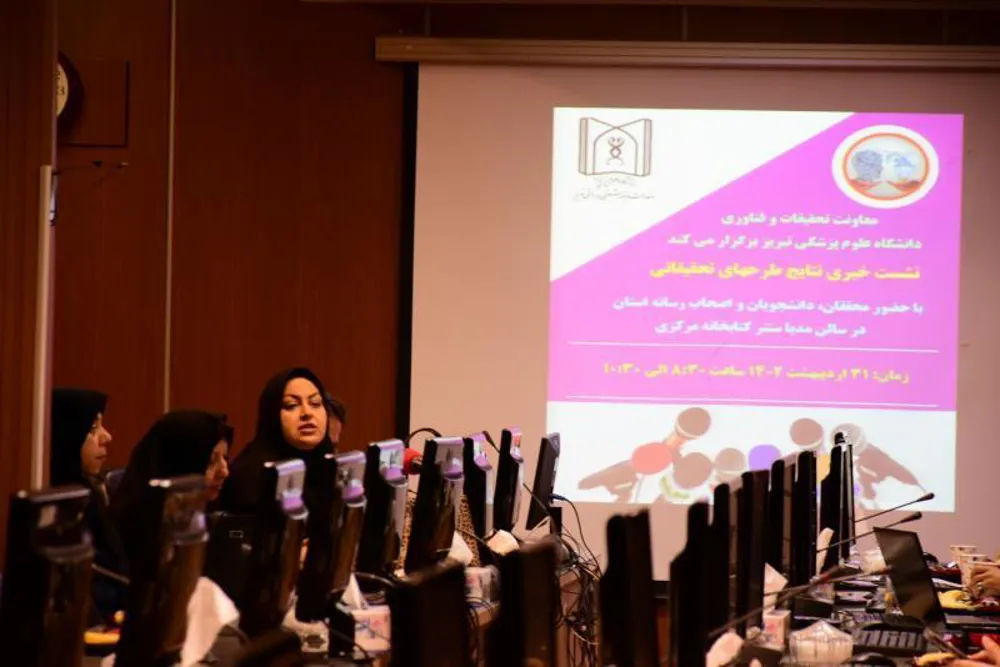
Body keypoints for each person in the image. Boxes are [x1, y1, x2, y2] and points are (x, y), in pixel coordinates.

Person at [111, 410, 232, 565]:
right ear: (180, 465)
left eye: (225, 458)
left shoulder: (207, 515)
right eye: (211, 461)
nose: (225, 472)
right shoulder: (136, 529)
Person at [50, 387, 128, 624]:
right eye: (93, 428)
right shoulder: (59, 507)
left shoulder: (92, 493)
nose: (107, 437)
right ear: (68, 436)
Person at [222, 367, 334, 516]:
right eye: (291, 405)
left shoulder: (328, 465)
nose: (307, 413)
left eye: (315, 403)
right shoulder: (252, 477)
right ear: (272, 415)